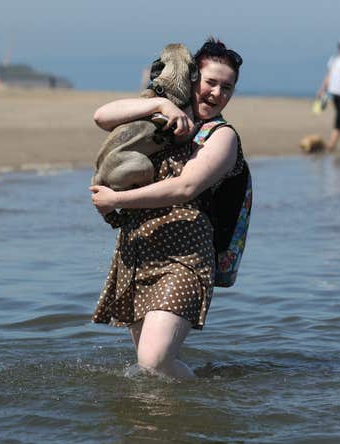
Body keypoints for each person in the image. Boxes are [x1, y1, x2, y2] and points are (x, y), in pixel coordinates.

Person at [89, 38, 245, 380]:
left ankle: (206, 405)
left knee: (154, 361)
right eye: (211, 83)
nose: (218, 93)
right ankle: (156, 424)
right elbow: (102, 116)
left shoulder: (221, 136)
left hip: (185, 257)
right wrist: (161, 105)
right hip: (136, 253)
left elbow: (184, 187)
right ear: (192, 81)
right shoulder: (159, 119)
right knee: (151, 372)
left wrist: (115, 201)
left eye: (227, 87)